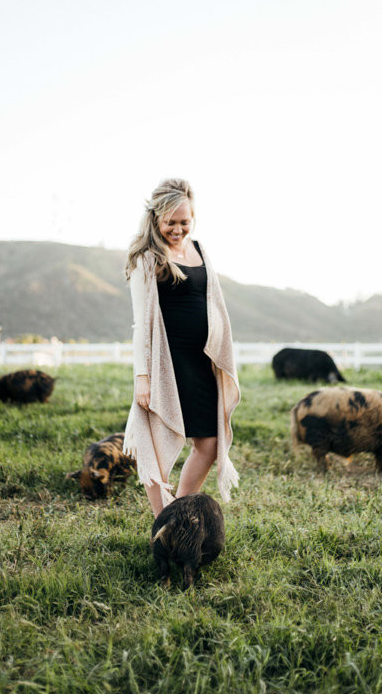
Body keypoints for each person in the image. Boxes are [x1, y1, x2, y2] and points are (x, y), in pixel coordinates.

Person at [123, 179, 240, 517]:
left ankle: (177, 511)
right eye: (170, 222)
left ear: (193, 218)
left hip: (202, 362)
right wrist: (142, 377)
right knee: (156, 448)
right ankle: (163, 523)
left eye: (184, 221)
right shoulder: (145, 259)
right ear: (156, 219)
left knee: (210, 444)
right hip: (167, 364)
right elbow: (139, 325)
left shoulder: (200, 250)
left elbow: (213, 304)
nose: (177, 229)